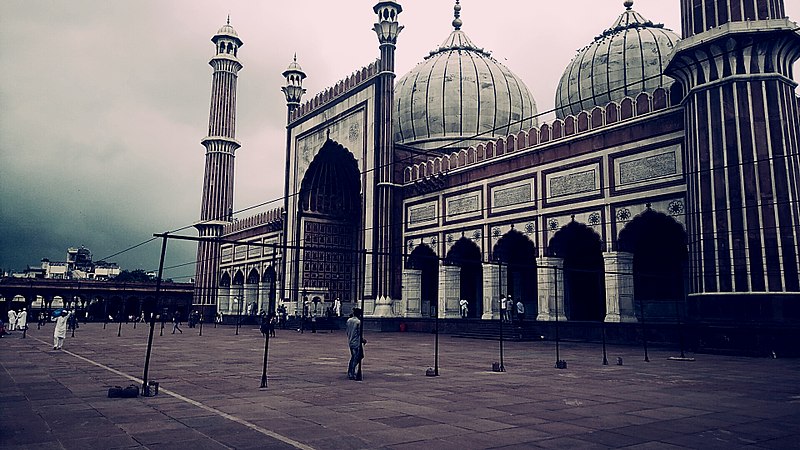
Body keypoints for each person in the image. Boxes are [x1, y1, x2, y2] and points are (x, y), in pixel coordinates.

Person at [346, 308, 366, 380]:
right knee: (357, 356)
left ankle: (350, 370)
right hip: (356, 342)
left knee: (354, 356)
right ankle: (351, 371)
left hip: (350, 340)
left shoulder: (349, 320)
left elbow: (347, 331)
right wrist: (362, 340)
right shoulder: (358, 322)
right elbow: (359, 333)